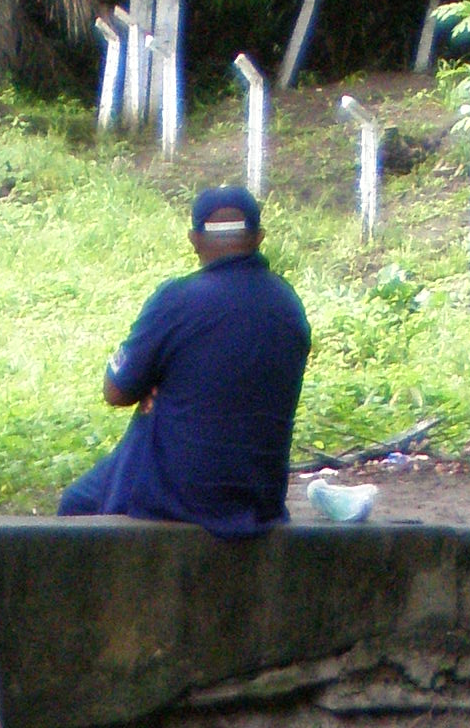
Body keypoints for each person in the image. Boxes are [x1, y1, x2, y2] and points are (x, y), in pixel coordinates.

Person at [56, 184, 310, 541]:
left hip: (179, 495)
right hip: (259, 499)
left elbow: (116, 391)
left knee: (77, 503)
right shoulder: (288, 305)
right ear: (259, 238)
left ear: (194, 240)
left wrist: (158, 386)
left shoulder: (176, 300)